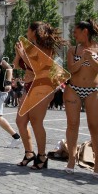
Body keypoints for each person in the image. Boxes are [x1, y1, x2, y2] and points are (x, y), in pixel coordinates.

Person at [14, 22, 65, 170]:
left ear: (34, 31)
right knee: (20, 121)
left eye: (28, 29)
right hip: (28, 86)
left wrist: (23, 54)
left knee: (36, 122)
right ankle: (29, 153)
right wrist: (18, 54)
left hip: (42, 86)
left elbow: (38, 67)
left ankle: (42, 156)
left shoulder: (45, 48)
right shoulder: (28, 46)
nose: (26, 32)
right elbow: (17, 66)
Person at [64, 19, 98, 178]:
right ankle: (71, 159)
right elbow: (72, 69)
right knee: (72, 124)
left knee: (95, 126)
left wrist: (91, 59)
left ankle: (97, 162)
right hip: (73, 89)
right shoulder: (73, 49)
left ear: (85, 32)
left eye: (76, 32)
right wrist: (82, 59)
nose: (74, 35)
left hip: (93, 90)